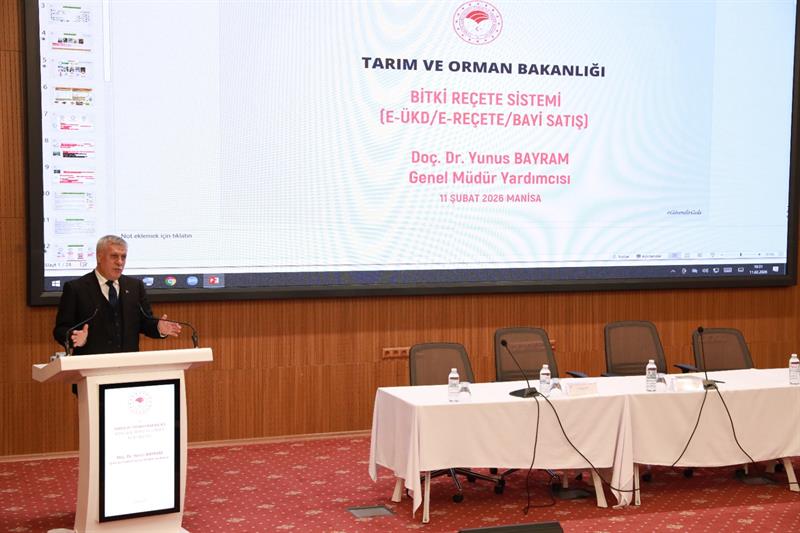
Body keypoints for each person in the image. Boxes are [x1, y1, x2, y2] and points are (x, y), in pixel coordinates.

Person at [53, 235, 181, 355]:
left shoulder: (135, 286)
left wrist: (158, 327)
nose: (120, 262)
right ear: (99, 257)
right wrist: (75, 337)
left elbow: (145, 322)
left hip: (128, 365)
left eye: (123, 257)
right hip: (91, 365)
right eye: (114, 256)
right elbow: (60, 330)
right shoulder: (76, 288)